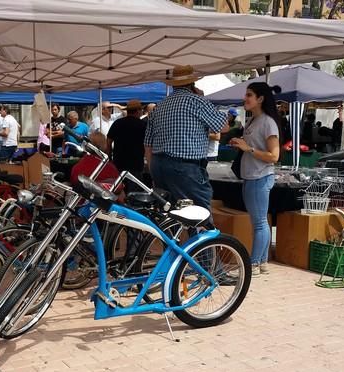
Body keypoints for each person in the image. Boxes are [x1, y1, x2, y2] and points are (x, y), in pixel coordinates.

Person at [144, 65, 228, 211]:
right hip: (185, 166)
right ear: (192, 83)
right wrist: (202, 98)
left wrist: (153, 170)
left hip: (159, 164)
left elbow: (148, 145)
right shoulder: (197, 101)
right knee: (200, 211)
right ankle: (203, 233)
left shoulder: (160, 106)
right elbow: (223, 127)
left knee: (169, 212)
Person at [229, 82, 282, 277]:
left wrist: (248, 148)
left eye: (249, 95)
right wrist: (240, 145)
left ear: (260, 99)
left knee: (259, 223)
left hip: (260, 176)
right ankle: (262, 262)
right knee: (258, 222)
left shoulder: (268, 122)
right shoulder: (252, 121)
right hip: (250, 176)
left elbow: (274, 156)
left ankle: (254, 264)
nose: (245, 98)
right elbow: (252, 148)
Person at [106, 99, 146, 184]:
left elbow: (109, 141)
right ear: (138, 111)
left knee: (120, 189)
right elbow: (147, 144)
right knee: (134, 192)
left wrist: (109, 157)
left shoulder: (118, 123)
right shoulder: (143, 125)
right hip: (136, 163)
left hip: (119, 162)